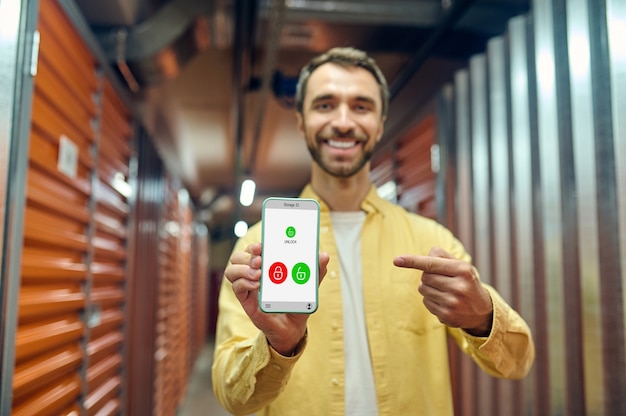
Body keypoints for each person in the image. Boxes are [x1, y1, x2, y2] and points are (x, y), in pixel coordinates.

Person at [212, 47, 535, 416]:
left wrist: (482, 317)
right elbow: (232, 397)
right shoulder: (257, 247)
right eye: (325, 105)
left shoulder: (431, 243)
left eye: (362, 106)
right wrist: (277, 346)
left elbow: (517, 362)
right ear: (301, 122)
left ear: (381, 124)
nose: (344, 122)